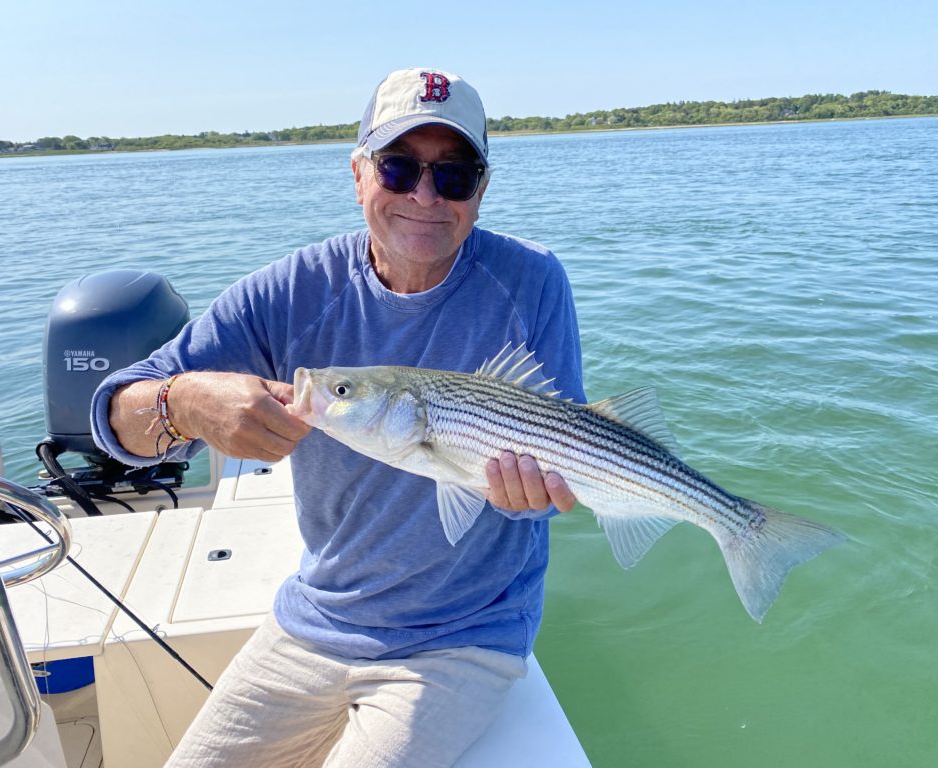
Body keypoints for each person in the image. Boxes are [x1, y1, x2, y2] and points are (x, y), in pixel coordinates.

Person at [91, 66, 585, 768]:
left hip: (463, 638)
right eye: (398, 167)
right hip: (315, 620)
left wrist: (531, 496)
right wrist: (185, 403)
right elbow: (115, 417)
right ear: (358, 173)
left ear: (482, 189)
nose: (424, 195)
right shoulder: (291, 291)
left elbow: (554, 458)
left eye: (454, 175)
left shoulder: (534, 280)